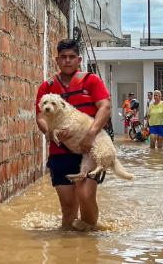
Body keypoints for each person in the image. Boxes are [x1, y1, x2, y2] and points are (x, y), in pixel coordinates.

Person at [35, 39, 111, 231]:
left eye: (71, 57)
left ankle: (89, 242)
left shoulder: (91, 81)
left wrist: (91, 135)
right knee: (68, 206)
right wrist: (50, 132)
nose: (67, 61)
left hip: (90, 147)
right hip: (60, 151)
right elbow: (40, 117)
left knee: (85, 195)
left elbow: (105, 107)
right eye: (63, 57)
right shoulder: (47, 87)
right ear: (57, 60)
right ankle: (68, 248)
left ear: (79, 60)